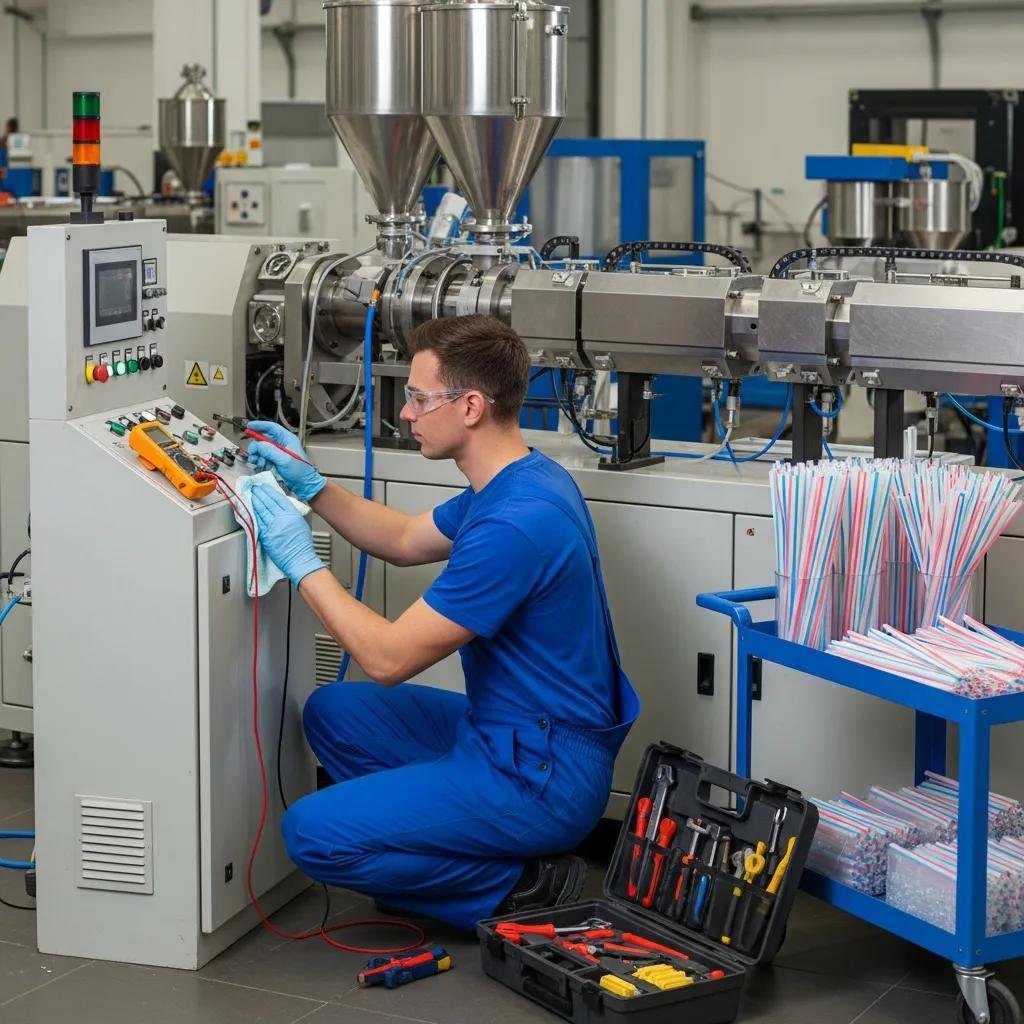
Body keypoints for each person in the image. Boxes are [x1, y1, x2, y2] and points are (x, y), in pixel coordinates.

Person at [247, 314, 638, 930]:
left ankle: (519, 882)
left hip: (541, 773)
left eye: (419, 398)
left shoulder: (516, 524)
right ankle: (448, 834)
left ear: (472, 406)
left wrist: (301, 561)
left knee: (313, 837)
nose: (406, 413)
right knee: (332, 713)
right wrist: (314, 488)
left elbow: (389, 659)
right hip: (508, 733)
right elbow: (404, 537)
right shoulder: (516, 480)